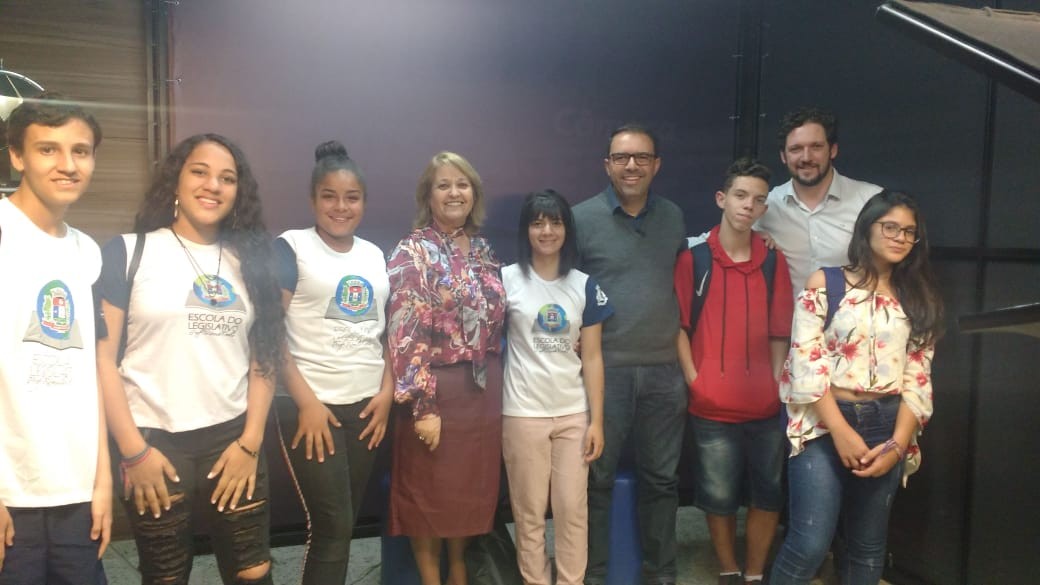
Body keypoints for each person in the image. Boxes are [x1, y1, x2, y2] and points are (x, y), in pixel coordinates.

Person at [96, 134, 285, 584]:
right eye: (200, 171)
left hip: (234, 441)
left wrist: (250, 443)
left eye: (227, 178)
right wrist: (133, 452)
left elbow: (265, 356)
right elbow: (103, 360)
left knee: (253, 572)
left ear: (239, 192)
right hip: (153, 443)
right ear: (176, 179)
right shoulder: (129, 251)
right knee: (166, 576)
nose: (212, 185)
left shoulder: (252, 260)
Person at [769, 190, 944, 585]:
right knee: (809, 543)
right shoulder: (827, 282)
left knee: (867, 549)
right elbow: (805, 362)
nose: (900, 237)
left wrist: (898, 446)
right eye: (891, 227)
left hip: (888, 423)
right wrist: (842, 431)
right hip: (823, 421)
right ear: (868, 229)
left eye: (909, 232)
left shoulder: (919, 297)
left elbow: (918, 378)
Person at [0, 93, 111, 584]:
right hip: (10, 494)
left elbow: (91, 373)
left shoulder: (87, 253)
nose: (68, 165)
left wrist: (103, 479)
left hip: (77, 493)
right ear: (17, 156)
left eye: (81, 151)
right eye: (48, 150)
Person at [273, 140, 392, 584]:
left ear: (363, 201)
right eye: (329, 196)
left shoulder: (375, 255)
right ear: (313, 199)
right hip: (312, 409)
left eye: (352, 197)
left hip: (367, 410)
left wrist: (387, 392)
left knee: (346, 524)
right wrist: (305, 403)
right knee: (332, 526)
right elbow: (270, 336)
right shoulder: (290, 247)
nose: (341, 207)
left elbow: (387, 334)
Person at [573, 124, 687, 585]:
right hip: (606, 374)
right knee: (596, 482)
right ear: (607, 165)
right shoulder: (580, 219)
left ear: (656, 164)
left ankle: (661, 576)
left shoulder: (674, 217)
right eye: (622, 158)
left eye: (642, 157)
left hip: (664, 372)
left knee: (662, 483)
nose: (632, 165)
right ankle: (593, 576)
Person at [386, 151, 506, 585]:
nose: (454, 192)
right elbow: (404, 331)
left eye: (462, 184)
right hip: (435, 390)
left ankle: (459, 571)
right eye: (444, 184)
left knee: (467, 495)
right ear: (428, 195)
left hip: (482, 393)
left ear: (474, 193)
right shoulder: (411, 250)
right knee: (429, 495)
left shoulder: (485, 250)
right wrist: (423, 405)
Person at [674, 159, 793, 585]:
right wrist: (695, 379)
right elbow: (679, 326)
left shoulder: (773, 262)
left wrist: (775, 385)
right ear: (722, 199)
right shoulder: (694, 259)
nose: (749, 205)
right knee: (718, 497)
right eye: (741, 196)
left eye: (759, 200)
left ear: (764, 209)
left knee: (768, 493)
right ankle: (728, 571)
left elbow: (781, 330)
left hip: (765, 407)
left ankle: (756, 574)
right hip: (711, 407)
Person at [502, 190, 612, 585]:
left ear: (567, 228)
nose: (547, 231)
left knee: (571, 511)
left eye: (555, 222)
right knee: (529, 513)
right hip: (522, 415)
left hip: (572, 414)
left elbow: (594, 358)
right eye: (537, 222)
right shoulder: (506, 280)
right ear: (526, 230)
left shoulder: (584, 285)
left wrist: (596, 421)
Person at [755, 107, 882, 293]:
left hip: (855, 320)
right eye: (796, 149)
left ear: (833, 150)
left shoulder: (871, 201)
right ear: (783, 156)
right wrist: (747, 238)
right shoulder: (766, 205)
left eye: (816, 147)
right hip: (789, 321)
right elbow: (718, 242)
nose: (806, 158)